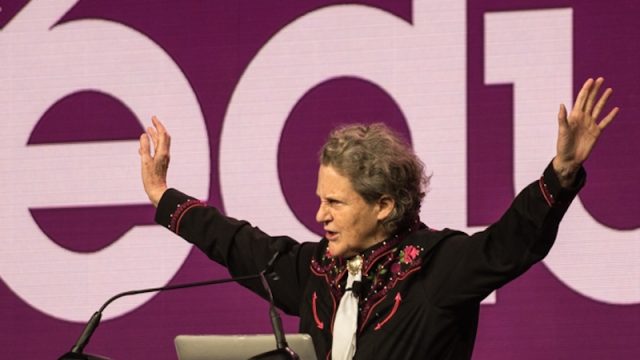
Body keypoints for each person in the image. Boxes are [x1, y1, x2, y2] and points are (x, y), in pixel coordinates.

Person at [139, 77, 619, 359]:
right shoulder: (315, 271)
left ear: (384, 205)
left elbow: (510, 244)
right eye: (321, 199)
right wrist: (164, 197)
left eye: (336, 203)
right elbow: (236, 242)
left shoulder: (438, 266)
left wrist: (560, 174)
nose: (319, 215)